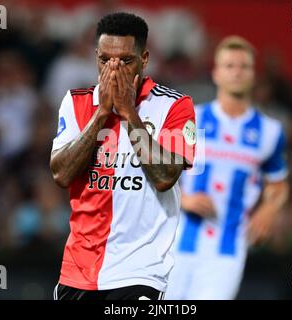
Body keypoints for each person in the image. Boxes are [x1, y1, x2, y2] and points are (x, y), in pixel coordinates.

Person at [49, 12, 196, 300]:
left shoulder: (175, 106)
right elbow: (61, 174)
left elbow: (166, 176)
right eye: (105, 60)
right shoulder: (76, 102)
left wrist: (128, 111)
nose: (114, 70)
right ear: (95, 57)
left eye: (126, 61)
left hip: (141, 271)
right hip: (78, 270)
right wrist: (102, 113)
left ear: (144, 59)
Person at [166, 36, 289, 300]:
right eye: (229, 65)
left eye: (243, 66)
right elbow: (157, 170)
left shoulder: (270, 131)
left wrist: (269, 210)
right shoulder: (191, 118)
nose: (236, 72)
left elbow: (278, 184)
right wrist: (183, 198)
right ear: (216, 73)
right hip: (177, 243)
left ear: (253, 74)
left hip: (228, 249)